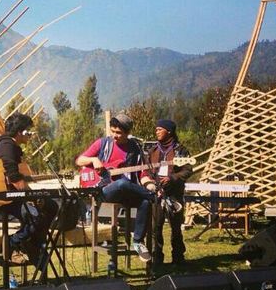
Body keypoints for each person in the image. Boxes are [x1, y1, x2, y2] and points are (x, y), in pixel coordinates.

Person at [0, 112, 58, 267]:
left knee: (50, 206)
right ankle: (14, 242)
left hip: (11, 196)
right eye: (28, 131)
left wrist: (33, 193)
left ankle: (32, 245)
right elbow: (14, 177)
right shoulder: (7, 146)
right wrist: (32, 196)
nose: (30, 135)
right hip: (2, 198)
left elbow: (15, 177)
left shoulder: (7, 146)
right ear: (20, 132)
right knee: (35, 215)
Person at [75, 113, 155, 262]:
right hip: (103, 191)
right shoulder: (103, 143)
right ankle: (158, 198)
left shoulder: (135, 149)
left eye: (119, 133)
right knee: (121, 184)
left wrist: (149, 184)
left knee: (144, 202)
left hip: (126, 192)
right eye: (113, 131)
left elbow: (142, 173)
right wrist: (94, 159)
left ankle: (137, 241)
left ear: (128, 132)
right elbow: (79, 161)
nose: (115, 135)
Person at [143, 119, 193, 265]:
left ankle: (178, 257)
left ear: (169, 131)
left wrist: (172, 178)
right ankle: (156, 258)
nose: (156, 131)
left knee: (176, 228)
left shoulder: (180, 150)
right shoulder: (152, 151)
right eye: (156, 129)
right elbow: (146, 170)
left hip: (174, 194)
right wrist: (151, 184)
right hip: (156, 195)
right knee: (155, 228)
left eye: (160, 129)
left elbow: (188, 170)